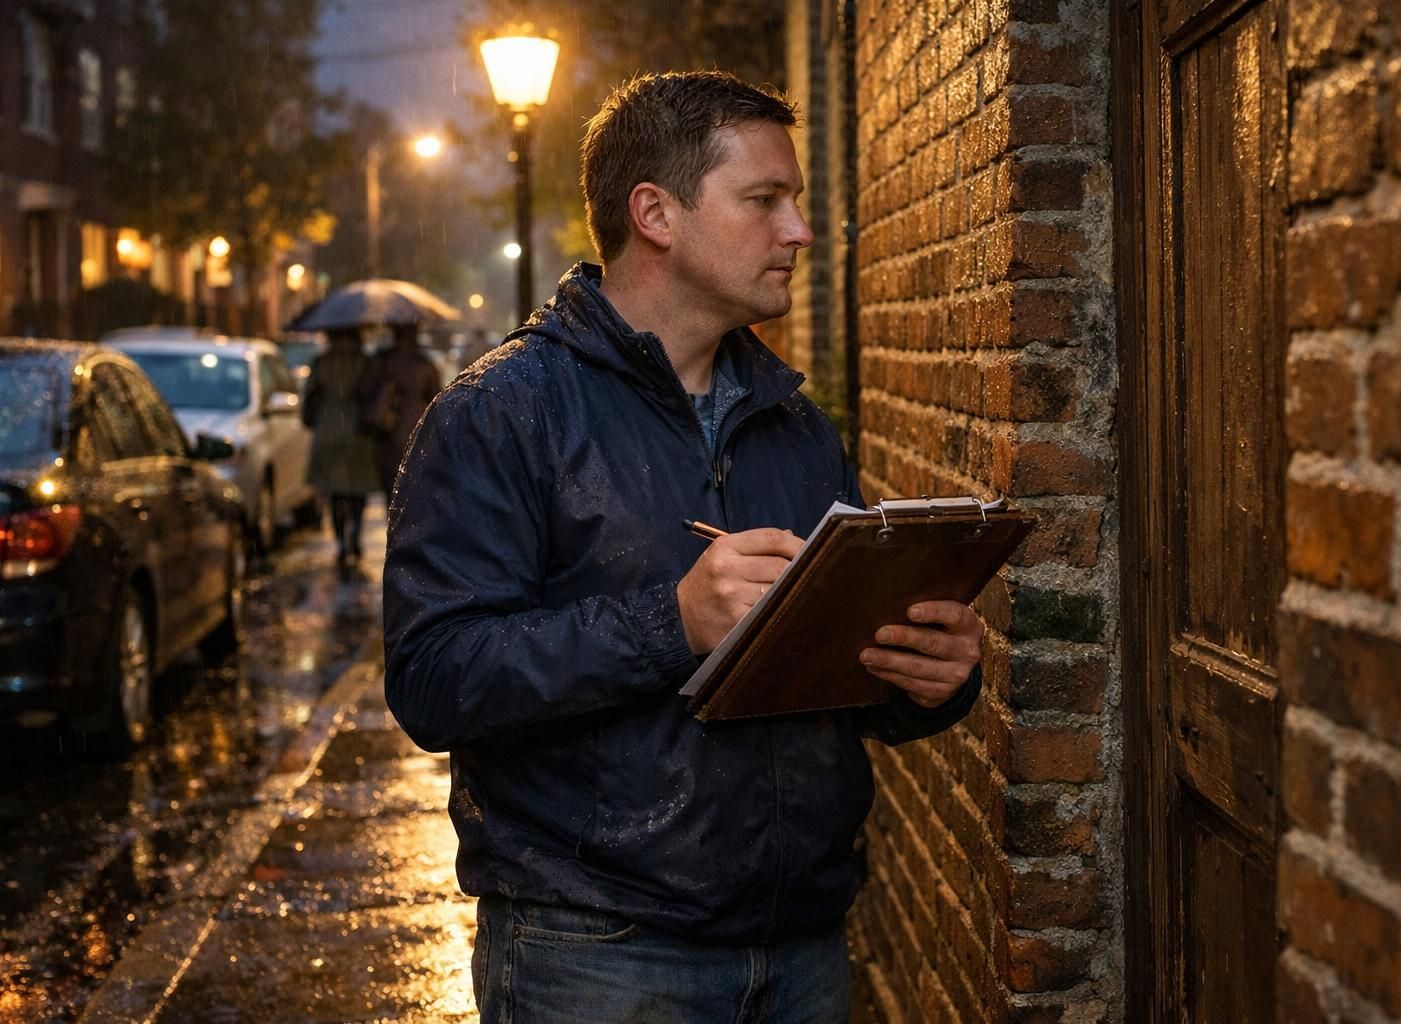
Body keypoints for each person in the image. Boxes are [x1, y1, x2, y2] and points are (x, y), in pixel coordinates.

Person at [383, 71, 985, 1023]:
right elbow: (433, 677)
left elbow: (827, 679)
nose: (799, 230)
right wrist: (672, 623)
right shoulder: (501, 413)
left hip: (804, 949)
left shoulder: (795, 425)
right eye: (764, 200)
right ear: (655, 214)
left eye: (794, 201)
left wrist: (928, 681)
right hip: (597, 956)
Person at [302, 327, 379, 567]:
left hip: (329, 427)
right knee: (357, 490)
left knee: (335, 492)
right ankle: (354, 533)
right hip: (358, 430)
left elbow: (309, 397)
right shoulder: (365, 362)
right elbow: (373, 392)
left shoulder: (321, 362)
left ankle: (340, 541)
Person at [358, 321, 441, 496]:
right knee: (413, 486)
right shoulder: (424, 363)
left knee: (391, 484)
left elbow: (363, 390)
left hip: (386, 427)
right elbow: (437, 398)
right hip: (416, 427)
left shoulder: (381, 361)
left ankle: (393, 518)